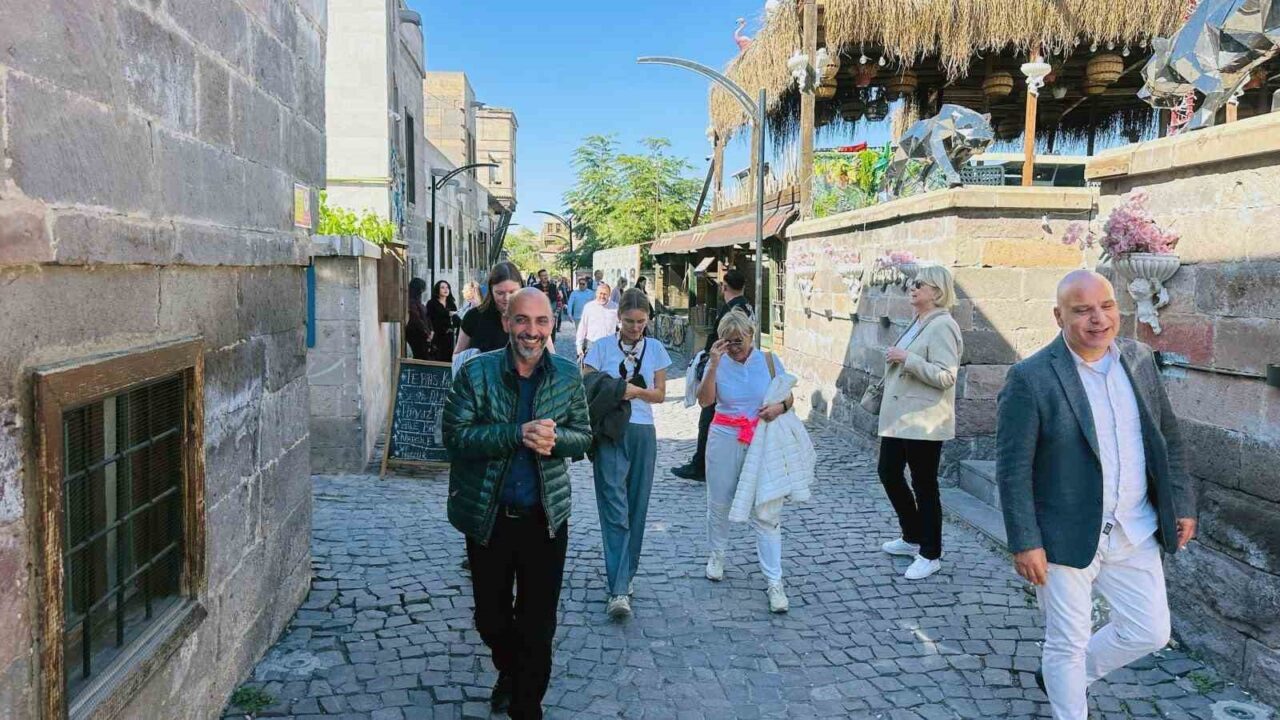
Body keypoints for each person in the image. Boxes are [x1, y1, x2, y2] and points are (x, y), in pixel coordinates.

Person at [996, 270, 1196, 720]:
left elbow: (1168, 436)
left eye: (1106, 306)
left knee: (1150, 630)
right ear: (1058, 316)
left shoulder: (1138, 358)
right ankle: (1067, 696)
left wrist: (1182, 503)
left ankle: (1062, 677)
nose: (1098, 319)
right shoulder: (1031, 377)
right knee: (1067, 642)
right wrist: (1025, 541)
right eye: (1082, 310)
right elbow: (1012, 468)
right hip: (1063, 535)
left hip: (1135, 526)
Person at [443, 288, 592, 719]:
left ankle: (527, 707)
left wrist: (556, 440)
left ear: (552, 325)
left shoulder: (567, 375)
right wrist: (515, 434)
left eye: (541, 321)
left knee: (537, 625)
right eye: (522, 320)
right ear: (507, 322)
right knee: (490, 619)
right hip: (489, 517)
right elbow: (454, 436)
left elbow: (583, 435)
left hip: (545, 519)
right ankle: (510, 671)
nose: (532, 330)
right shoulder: (477, 373)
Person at [696, 310, 795, 613]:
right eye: (728, 342)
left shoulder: (769, 361)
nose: (735, 348)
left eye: (739, 341)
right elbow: (705, 401)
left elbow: (789, 397)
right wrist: (714, 364)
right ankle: (717, 555)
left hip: (761, 439)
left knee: (766, 509)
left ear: (752, 336)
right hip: (725, 438)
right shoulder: (717, 361)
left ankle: (775, 581)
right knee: (719, 502)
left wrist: (779, 407)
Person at [582, 289, 671, 620]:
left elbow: (660, 395)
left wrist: (632, 391)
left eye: (641, 322)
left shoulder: (656, 349)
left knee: (636, 507)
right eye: (630, 321)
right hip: (610, 432)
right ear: (618, 318)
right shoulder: (601, 348)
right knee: (613, 508)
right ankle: (618, 590)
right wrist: (619, 389)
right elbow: (586, 382)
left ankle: (626, 574)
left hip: (643, 433)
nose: (636, 328)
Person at [875, 265, 963, 581]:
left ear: (937, 291)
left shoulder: (943, 326)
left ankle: (930, 553)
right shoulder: (920, 321)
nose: (912, 287)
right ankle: (912, 534)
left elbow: (946, 375)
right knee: (888, 472)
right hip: (901, 417)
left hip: (924, 420)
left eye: (919, 284)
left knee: (924, 485)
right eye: (912, 283)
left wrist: (907, 359)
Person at [672, 269, 752, 482]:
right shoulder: (747, 306)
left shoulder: (733, 310)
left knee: (710, 415)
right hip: (733, 367)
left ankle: (702, 465)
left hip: (725, 366)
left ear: (724, 287)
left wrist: (713, 362)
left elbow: (729, 340)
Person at [457, 262, 523, 355]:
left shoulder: (534, 317)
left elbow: (545, 356)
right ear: (491, 291)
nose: (507, 298)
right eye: (500, 293)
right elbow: (457, 355)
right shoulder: (473, 317)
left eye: (512, 292)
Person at [575, 282, 618, 360]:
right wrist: (579, 346)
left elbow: (621, 325)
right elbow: (582, 327)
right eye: (600, 293)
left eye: (605, 294)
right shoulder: (589, 307)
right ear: (596, 293)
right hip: (592, 345)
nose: (602, 296)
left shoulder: (615, 308)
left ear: (609, 295)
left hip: (609, 345)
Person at [426, 280, 458, 362]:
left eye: (447, 287)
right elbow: (429, 318)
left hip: (449, 335)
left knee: (448, 358)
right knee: (437, 358)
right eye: (442, 287)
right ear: (437, 289)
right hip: (436, 335)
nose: (445, 289)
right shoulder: (431, 303)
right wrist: (448, 313)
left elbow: (455, 319)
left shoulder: (451, 303)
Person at [405, 277, 431, 360]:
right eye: (421, 290)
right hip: (416, 333)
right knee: (421, 357)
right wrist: (426, 332)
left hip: (420, 333)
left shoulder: (417, 301)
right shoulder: (411, 302)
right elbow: (416, 319)